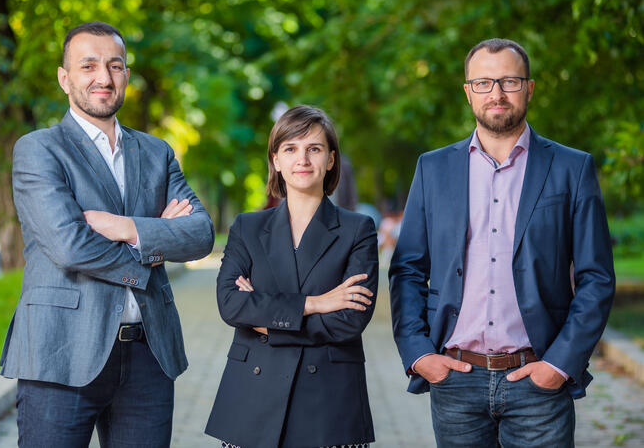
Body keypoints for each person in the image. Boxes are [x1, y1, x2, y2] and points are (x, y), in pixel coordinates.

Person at [389, 38, 615, 447]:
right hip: (455, 380)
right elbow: (407, 269)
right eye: (483, 83)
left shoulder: (571, 167)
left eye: (509, 81)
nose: (496, 93)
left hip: (538, 380)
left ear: (529, 88)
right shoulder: (433, 168)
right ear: (467, 91)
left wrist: (560, 364)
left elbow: (596, 277)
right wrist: (420, 354)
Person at [0, 21, 214, 447]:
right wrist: (154, 243)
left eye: (115, 66)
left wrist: (125, 228)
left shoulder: (157, 152)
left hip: (148, 356)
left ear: (127, 77)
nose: (104, 77)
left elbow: (200, 234)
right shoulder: (39, 149)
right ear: (65, 78)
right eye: (89, 66)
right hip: (60, 352)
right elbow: (70, 246)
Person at [205, 105, 377, 448]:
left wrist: (267, 318)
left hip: (328, 402)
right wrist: (316, 303)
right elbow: (231, 305)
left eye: (314, 149)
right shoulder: (247, 227)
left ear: (330, 159)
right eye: (291, 149)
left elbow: (348, 321)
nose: (303, 159)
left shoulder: (358, 229)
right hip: (252, 398)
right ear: (276, 160)